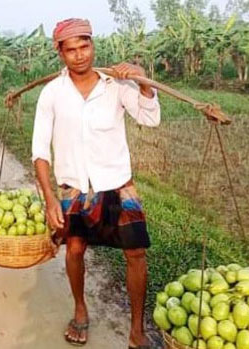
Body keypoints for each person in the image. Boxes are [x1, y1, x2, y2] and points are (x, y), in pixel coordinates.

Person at [32, 18, 160, 349]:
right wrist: (49, 201)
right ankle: (80, 309)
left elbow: (150, 117)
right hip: (74, 187)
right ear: (59, 52)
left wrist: (143, 82)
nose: (79, 56)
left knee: (136, 252)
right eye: (70, 49)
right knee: (74, 248)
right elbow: (39, 152)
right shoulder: (52, 94)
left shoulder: (115, 86)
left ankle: (136, 330)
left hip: (117, 184)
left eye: (84, 46)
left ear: (93, 44)